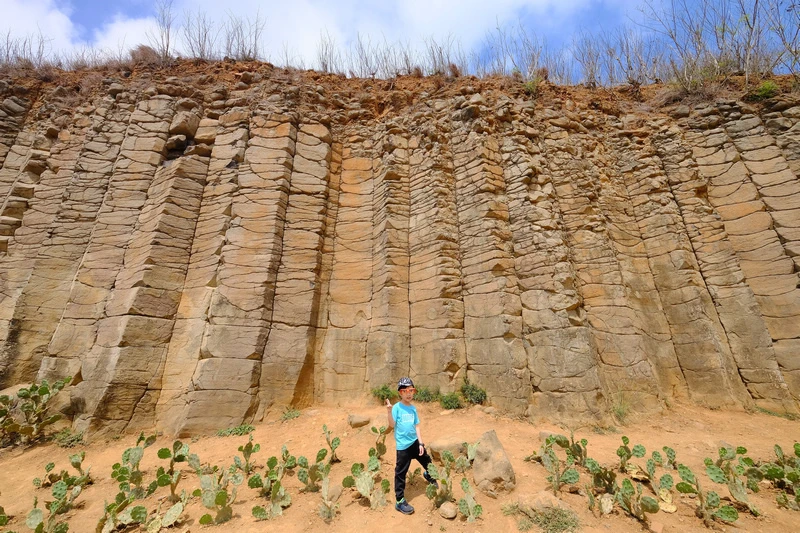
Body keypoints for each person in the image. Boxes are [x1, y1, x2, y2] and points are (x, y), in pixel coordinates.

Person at [385, 376, 438, 515]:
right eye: (405, 391)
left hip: (415, 442)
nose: (408, 393)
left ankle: (428, 475)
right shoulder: (397, 408)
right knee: (400, 473)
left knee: (426, 460)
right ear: (400, 393)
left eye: (411, 390)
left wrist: (420, 442)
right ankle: (399, 501)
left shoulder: (413, 408)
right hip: (403, 447)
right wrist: (389, 412)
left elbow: (417, 426)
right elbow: (391, 425)